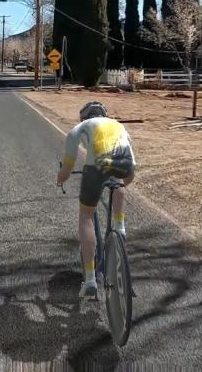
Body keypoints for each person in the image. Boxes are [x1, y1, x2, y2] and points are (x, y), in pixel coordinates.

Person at [55, 101, 136, 299]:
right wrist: (123, 181)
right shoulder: (118, 125)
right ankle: (120, 226)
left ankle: (90, 279)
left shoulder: (79, 128)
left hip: (96, 167)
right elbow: (131, 165)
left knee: (86, 216)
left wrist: (60, 179)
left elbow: (67, 168)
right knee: (119, 183)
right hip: (125, 164)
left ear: (84, 117)